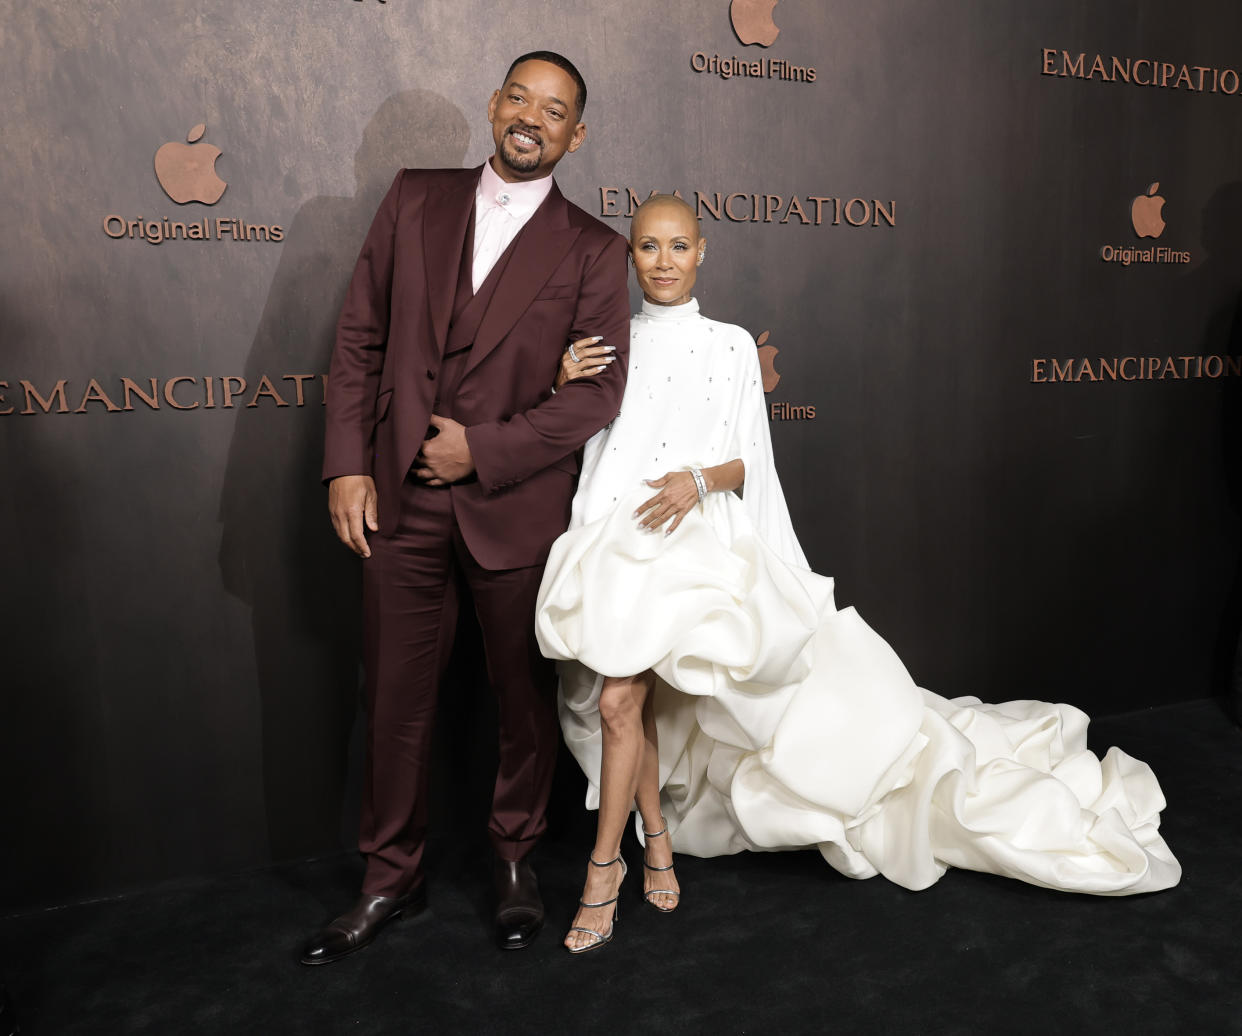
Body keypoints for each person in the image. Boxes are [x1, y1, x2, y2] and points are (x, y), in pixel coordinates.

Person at [536, 195, 1181, 954]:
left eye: (679, 246)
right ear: (630, 255)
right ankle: (655, 840)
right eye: (649, 247)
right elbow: (579, 441)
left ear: (703, 251)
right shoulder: (607, 344)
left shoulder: (733, 344)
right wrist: (560, 380)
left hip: (696, 543)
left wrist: (697, 482)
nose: (665, 262)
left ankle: (604, 870)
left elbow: (750, 459)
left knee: (626, 699)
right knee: (622, 702)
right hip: (619, 542)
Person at [304, 51, 630, 963]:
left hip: (515, 509)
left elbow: (593, 399)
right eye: (519, 97)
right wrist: (345, 464)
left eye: (554, 109)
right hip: (397, 500)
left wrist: (478, 451)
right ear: (495, 106)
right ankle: (386, 877)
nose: (532, 117)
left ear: (576, 134)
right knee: (395, 700)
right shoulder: (414, 197)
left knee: (521, 703)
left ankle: (517, 860)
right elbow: (360, 332)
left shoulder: (596, 250)